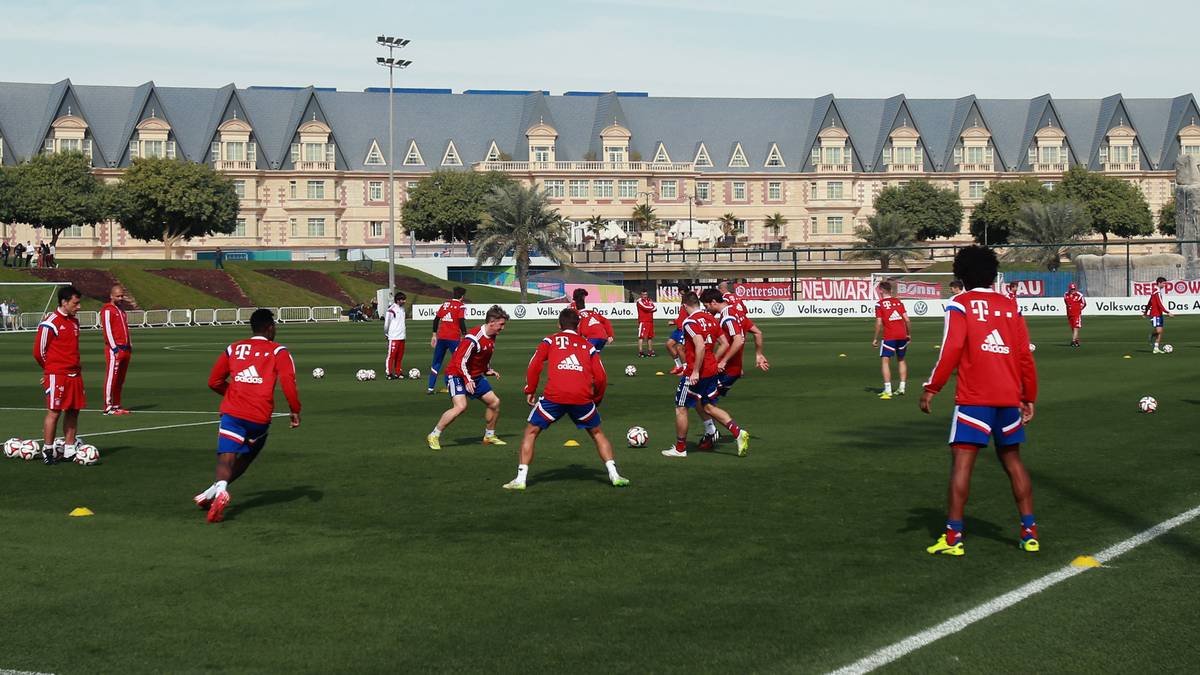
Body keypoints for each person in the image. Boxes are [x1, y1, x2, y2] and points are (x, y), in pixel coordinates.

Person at [921, 246, 1039, 557]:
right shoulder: (1010, 306)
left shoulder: (960, 304)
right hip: (1009, 398)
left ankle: (953, 538)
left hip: (975, 398)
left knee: (962, 465)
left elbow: (951, 349)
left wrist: (932, 387)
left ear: (961, 274)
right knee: (1013, 462)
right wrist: (1028, 396)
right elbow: (1024, 354)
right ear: (992, 273)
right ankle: (1029, 533)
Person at [504, 308, 630, 490]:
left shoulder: (550, 340)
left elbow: (535, 364)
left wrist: (530, 389)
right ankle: (615, 475)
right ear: (578, 325)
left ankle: (521, 479)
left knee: (531, 432)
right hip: (582, 398)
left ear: (559, 324)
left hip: (554, 396)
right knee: (597, 433)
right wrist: (597, 398)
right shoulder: (588, 345)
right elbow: (601, 377)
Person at [195, 309, 302, 523]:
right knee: (248, 455)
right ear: (270, 328)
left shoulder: (234, 348)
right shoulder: (279, 351)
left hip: (233, 412)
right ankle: (213, 492)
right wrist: (294, 410)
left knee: (227, 453)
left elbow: (214, 381)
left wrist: (235, 394)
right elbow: (288, 382)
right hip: (259, 416)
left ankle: (218, 490)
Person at [662, 291, 750, 458]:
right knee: (708, 405)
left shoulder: (689, 322)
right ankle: (738, 433)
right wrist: (715, 361)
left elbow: (700, 346)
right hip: (711, 370)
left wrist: (695, 370)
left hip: (696, 373)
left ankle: (680, 449)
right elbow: (724, 343)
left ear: (684, 306)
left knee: (681, 408)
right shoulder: (710, 318)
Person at [427, 305, 509, 450]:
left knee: (494, 403)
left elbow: (482, 356)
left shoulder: (492, 336)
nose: (503, 328)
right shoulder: (473, 338)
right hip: (456, 374)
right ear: (491, 322)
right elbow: (460, 361)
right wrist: (467, 379)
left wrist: (487, 370)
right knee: (461, 406)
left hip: (473, 376)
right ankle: (434, 434)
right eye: (501, 324)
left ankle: (489, 435)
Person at [33, 285, 85, 464]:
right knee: (54, 412)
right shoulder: (50, 322)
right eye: (75, 303)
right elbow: (39, 352)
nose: (79, 307)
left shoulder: (74, 322)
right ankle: (48, 450)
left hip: (75, 374)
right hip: (58, 375)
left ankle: (70, 449)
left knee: (73, 410)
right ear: (64, 302)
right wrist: (49, 372)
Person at [872, 281, 911, 399]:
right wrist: (909, 334)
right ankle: (902, 388)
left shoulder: (879, 304)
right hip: (902, 335)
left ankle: (888, 390)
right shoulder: (898, 302)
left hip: (890, 336)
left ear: (881, 290)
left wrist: (875, 338)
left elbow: (879, 323)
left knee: (885, 361)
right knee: (901, 360)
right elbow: (907, 320)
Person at [100, 284, 134, 415]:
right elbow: (107, 330)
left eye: (122, 296)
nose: (120, 298)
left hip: (125, 349)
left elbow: (126, 328)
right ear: (111, 296)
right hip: (116, 349)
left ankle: (116, 404)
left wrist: (130, 344)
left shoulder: (121, 311)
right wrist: (114, 348)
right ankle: (107, 407)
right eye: (118, 296)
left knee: (120, 379)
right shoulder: (107, 310)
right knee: (111, 378)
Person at [427, 286, 468, 393]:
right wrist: (464, 335)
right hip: (453, 338)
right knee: (457, 361)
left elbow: (436, 320)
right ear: (462, 297)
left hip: (441, 337)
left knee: (436, 362)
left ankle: (430, 388)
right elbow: (461, 321)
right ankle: (450, 385)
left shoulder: (445, 304)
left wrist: (434, 335)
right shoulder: (461, 306)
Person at [666, 283, 691, 374]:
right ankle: (679, 366)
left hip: (684, 329)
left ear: (683, 291)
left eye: (680, 292)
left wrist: (675, 322)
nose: (679, 293)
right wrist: (675, 322)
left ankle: (685, 369)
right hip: (678, 328)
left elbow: (686, 316)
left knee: (679, 348)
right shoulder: (683, 299)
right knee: (669, 344)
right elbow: (682, 315)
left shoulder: (689, 299)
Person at [1144, 277, 1172, 354]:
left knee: (1160, 331)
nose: (1165, 285)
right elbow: (1160, 304)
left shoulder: (1156, 291)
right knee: (1158, 330)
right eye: (1163, 283)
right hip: (1155, 314)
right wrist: (1167, 312)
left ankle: (1156, 348)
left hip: (1159, 314)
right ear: (1159, 283)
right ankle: (1151, 335)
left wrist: (1145, 311)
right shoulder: (1157, 292)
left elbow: (1150, 302)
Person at [384, 292, 407, 379]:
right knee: (391, 355)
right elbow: (387, 323)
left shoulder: (402, 309)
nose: (404, 301)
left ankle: (398, 372)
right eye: (403, 300)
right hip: (394, 336)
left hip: (402, 336)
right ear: (398, 300)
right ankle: (389, 373)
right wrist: (386, 333)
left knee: (400, 356)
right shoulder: (391, 309)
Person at [1064, 282, 1086, 348]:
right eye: (1071, 289)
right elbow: (1066, 302)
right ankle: (1077, 340)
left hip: (1076, 314)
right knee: (1072, 328)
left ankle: (1073, 341)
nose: (1073, 290)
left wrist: (1079, 309)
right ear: (1069, 289)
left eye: (1074, 289)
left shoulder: (1079, 295)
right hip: (1069, 314)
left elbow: (1084, 303)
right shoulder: (1066, 294)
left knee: (1076, 327)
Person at [635, 290, 657, 357]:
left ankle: (650, 351)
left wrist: (651, 308)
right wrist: (651, 308)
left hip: (650, 321)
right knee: (641, 337)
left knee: (650, 337)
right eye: (643, 294)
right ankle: (640, 352)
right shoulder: (639, 301)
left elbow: (655, 308)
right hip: (643, 321)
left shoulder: (649, 300)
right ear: (641, 295)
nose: (645, 296)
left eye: (646, 294)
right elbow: (645, 308)